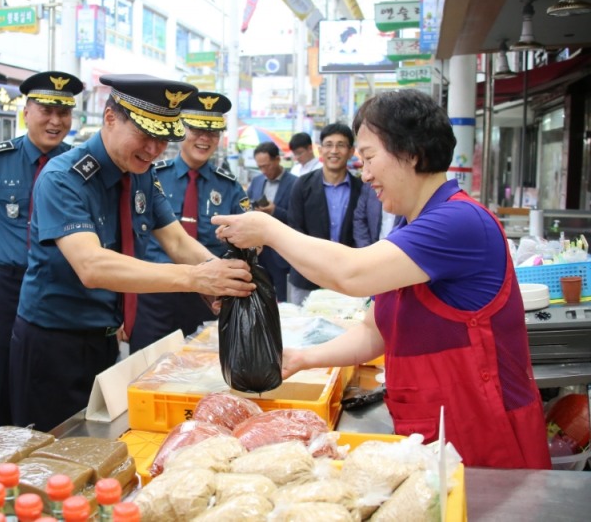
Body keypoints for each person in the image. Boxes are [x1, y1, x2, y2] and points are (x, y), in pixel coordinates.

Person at [212, 88, 551, 469]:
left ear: (412, 152)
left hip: (486, 439)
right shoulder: (412, 227)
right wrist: (302, 358)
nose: (365, 173)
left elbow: (350, 273)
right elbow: (376, 331)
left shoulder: (458, 222)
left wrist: (268, 229)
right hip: (437, 435)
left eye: (369, 157)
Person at [10, 74, 255, 432]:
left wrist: (220, 276)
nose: (155, 149)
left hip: (104, 338)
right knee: (53, 451)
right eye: (146, 135)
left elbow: (175, 240)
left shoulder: (141, 174)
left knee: (100, 441)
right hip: (53, 342)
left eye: (164, 139)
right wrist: (195, 277)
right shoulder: (62, 178)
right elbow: (91, 265)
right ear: (110, 117)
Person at [0, 71, 83, 432]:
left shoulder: (78, 164)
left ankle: (51, 446)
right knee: (1, 368)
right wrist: (2, 261)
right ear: (26, 111)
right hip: (8, 284)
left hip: (60, 284)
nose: (55, 121)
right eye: (46, 110)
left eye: (63, 113)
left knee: (53, 371)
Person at [129, 91, 249, 352]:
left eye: (213, 133)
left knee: (201, 371)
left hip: (206, 297)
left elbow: (247, 245)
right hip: (155, 294)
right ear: (181, 129)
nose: (204, 139)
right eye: (196, 129)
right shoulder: (149, 176)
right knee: (146, 368)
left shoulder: (229, 187)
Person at [287, 123, 362, 306]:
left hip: (347, 277)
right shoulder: (302, 185)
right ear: (320, 150)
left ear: (351, 151)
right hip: (307, 275)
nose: (334, 151)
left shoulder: (362, 190)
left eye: (341, 145)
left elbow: (363, 233)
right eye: (328, 145)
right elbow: (295, 229)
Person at [246, 141, 297, 302]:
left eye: (267, 166)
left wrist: (275, 211)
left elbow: (296, 218)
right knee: (260, 295)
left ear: (277, 160)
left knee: (282, 298)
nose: (263, 171)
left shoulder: (295, 183)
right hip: (259, 250)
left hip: (281, 251)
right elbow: (246, 205)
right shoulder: (257, 181)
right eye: (260, 167)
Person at [353, 180, 402, 247]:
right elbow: (359, 219)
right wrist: (368, 251)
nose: (364, 176)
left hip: (402, 253)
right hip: (371, 251)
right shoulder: (369, 187)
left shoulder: (410, 189)